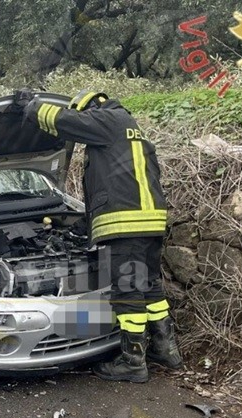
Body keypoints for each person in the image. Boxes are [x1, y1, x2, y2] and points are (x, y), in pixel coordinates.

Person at [17, 89, 182, 383]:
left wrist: (32, 106)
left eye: (85, 115)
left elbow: (62, 120)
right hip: (150, 222)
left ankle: (132, 362)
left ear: (91, 108)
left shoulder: (108, 120)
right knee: (149, 287)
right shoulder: (133, 130)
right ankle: (165, 350)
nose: (85, 121)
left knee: (128, 291)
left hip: (126, 224)